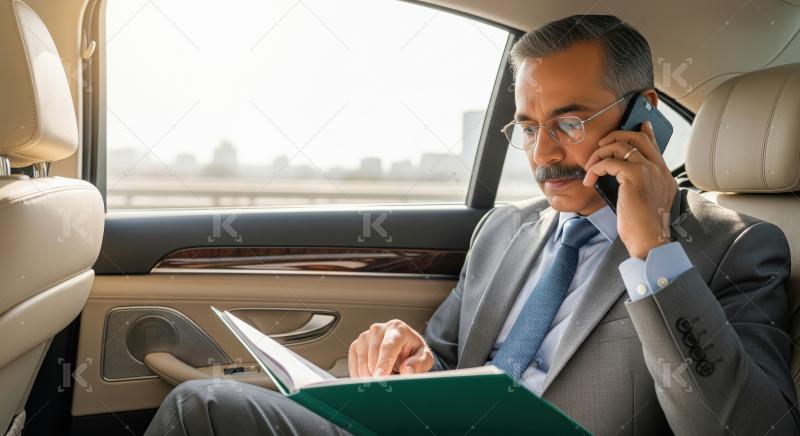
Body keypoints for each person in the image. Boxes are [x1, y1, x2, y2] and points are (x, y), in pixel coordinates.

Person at [145, 15, 799, 435]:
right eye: (530, 128)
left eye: (570, 123)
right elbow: (451, 363)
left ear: (644, 114)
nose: (544, 156)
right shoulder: (504, 232)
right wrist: (406, 357)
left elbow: (745, 427)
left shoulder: (734, 247)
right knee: (203, 406)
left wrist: (652, 251)